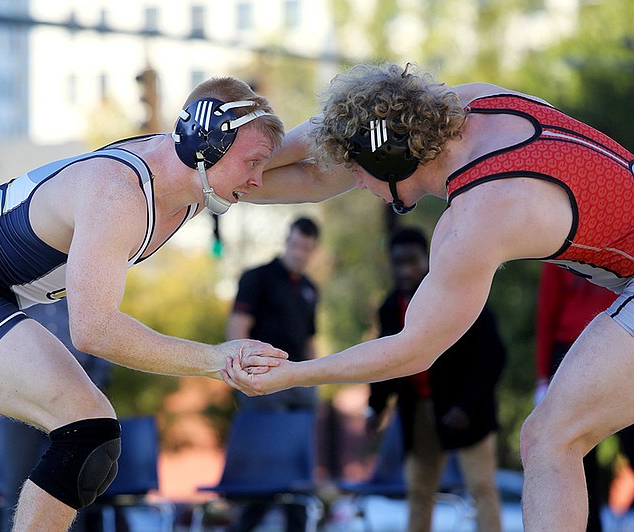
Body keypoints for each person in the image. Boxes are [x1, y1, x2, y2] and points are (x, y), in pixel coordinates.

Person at [0, 76, 288, 532]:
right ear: (205, 145)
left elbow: (312, 164)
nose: (258, 179)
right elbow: (94, 330)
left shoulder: (190, 175)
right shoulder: (120, 192)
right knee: (87, 431)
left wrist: (354, 123)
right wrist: (215, 359)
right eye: (252, 162)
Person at [224, 61, 634, 531]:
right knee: (553, 437)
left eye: (359, 172)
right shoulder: (474, 104)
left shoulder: (478, 217)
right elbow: (328, 148)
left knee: (549, 439)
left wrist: (295, 374)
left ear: (388, 160)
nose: (354, 183)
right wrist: (226, 176)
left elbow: (412, 350)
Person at [367, 226, 505, 532]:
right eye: (398, 263)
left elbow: (492, 357)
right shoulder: (391, 307)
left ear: (426, 260)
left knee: (482, 488)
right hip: (418, 409)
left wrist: (466, 406)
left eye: (412, 261)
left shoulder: (458, 293)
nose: (405, 270)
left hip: (466, 410)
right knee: (418, 490)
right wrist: (375, 407)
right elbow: (384, 359)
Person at [226, 215, 321, 531]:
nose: (299, 253)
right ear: (287, 241)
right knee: (265, 470)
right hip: (265, 383)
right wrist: (241, 374)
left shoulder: (309, 289)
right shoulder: (258, 278)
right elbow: (238, 327)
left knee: (297, 470)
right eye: (295, 244)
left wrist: (316, 378)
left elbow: (309, 341)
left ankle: (298, 525)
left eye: (306, 248)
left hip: (300, 385)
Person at [535, 262, 634, 531]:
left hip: (622, 345)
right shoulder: (561, 242)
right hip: (569, 351)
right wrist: (543, 378)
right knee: (572, 454)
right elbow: (547, 312)